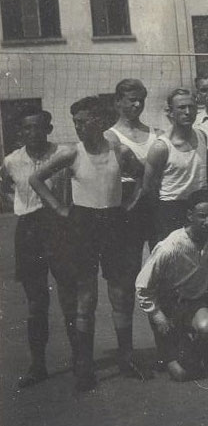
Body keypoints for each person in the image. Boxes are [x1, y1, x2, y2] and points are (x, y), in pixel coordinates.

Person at [30, 96, 149, 391]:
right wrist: (60, 209)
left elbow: (143, 175)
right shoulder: (72, 153)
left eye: (83, 121)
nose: (78, 127)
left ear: (100, 122)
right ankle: (83, 367)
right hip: (82, 226)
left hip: (114, 224)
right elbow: (36, 179)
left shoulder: (119, 151)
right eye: (75, 122)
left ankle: (126, 359)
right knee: (86, 297)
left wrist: (131, 203)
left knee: (120, 294)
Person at [1, 109, 72, 388]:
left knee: (69, 296)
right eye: (27, 129)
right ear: (20, 133)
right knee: (36, 302)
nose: (33, 133)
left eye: (38, 127)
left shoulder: (63, 153)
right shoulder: (11, 160)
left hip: (59, 227)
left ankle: (80, 360)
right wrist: (16, 202)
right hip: (29, 231)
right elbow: (4, 184)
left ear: (49, 129)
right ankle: (38, 365)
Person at [135, 190, 208, 382]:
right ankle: (174, 349)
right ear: (190, 215)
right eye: (201, 216)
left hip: (194, 303)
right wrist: (158, 316)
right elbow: (142, 286)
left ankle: (189, 345)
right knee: (181, 374)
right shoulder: (169, 247)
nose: (207, 222)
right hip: (169, 307)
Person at [141, 89, 208, 243]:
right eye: (181, 107)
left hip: (199, 208)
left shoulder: (202, 136)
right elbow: (148, 187)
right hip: (171, 209)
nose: (188, 112)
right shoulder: (161, 147)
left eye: (191, 107)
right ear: (171, 112)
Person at [106, 78, 163, 251]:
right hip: (130, 202)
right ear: (118, 101)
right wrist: (153, 163)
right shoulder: (110, 136)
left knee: (161, 254)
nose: (138, 104)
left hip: (157, 200)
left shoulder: (157, 134)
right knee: (130, 257)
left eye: (141, 100)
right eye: (132, 100)